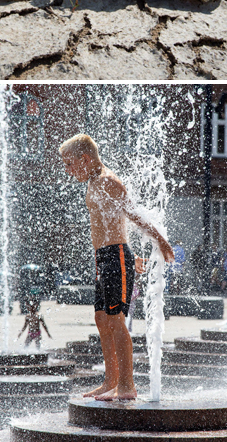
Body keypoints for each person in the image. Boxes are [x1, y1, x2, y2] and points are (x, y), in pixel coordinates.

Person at [59, 133, 173, 401]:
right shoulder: (92, 182)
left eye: (70, 164)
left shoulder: (108, 182)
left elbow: (134, 215)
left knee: (116, 321)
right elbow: (115, 221)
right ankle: (110, 381)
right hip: (104, 258)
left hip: (115, 256)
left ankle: (127, 385)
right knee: (101, 319)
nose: (68, 170)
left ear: (85, 159)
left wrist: (161, 242)